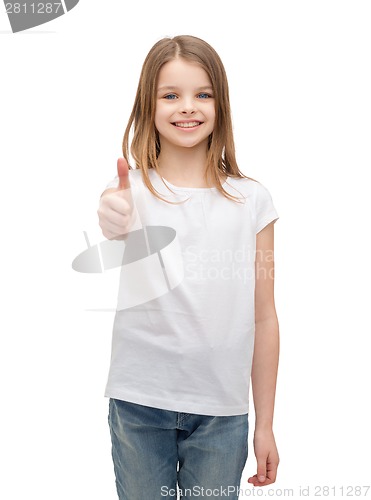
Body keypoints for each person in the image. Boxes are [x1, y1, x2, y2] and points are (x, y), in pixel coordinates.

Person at [97, 35, 280, 499]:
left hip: (221, 413)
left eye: (203, 94)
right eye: (170, 95)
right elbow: (113, 217)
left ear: (220, 103)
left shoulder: (251, 200)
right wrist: (112, 213)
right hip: (139, 405)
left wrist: (265, 425)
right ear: (149, 105)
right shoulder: (130, 192)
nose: (188, 107)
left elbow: (264, 316)